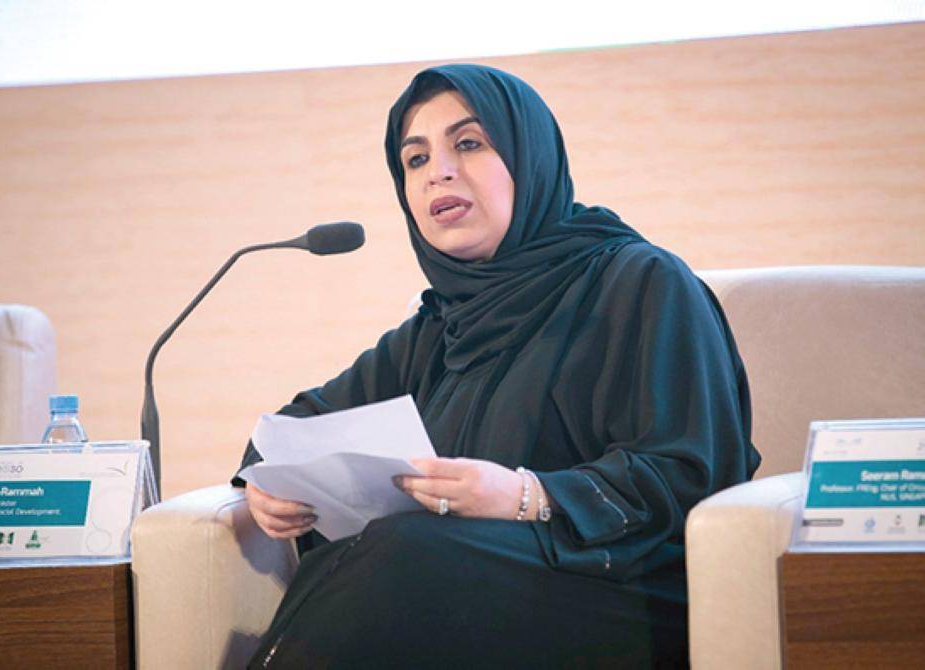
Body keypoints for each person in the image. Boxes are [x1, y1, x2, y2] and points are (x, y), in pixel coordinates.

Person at [232, 63, 761, 669]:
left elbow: (689, 468)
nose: (439, 172)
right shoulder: (440, 327)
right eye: (415, 160)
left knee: (409, 555)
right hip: (456, 588)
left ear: (528, 157)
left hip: (622, 591)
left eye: (468, 144)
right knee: (389, 556)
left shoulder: (641, 281)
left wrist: (524, 495)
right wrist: (267, 482)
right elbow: (298, 423)